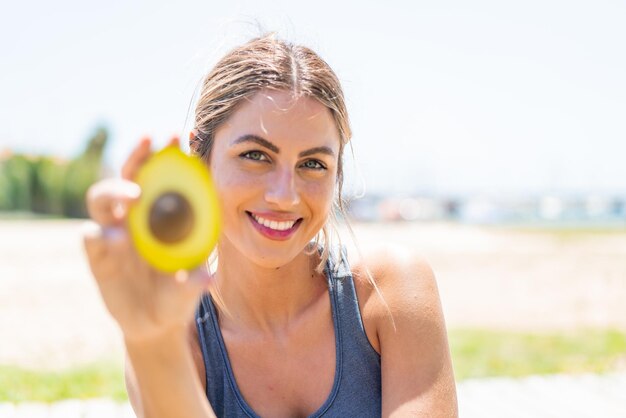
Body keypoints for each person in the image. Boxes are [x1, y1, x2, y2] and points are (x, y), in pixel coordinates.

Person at [83, 33, 458, 418]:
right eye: (255, 155)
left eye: (312, 163)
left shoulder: (391, 293)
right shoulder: (175, 337)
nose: (284, 196)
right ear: (200, 158)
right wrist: (151, 341)